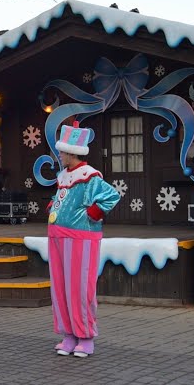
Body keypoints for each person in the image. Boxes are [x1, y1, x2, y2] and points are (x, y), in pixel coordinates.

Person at [45, 122, 121, 358]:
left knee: (79, 288)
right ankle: (68, 334)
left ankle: (85, 337)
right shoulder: (63, 175)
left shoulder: (90, 176)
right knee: (60, 287)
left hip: (81, 237)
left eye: (62, 152)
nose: (59, 155)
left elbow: (112, 195)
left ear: (71, 152)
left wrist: (93, 213)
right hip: (57, 235)